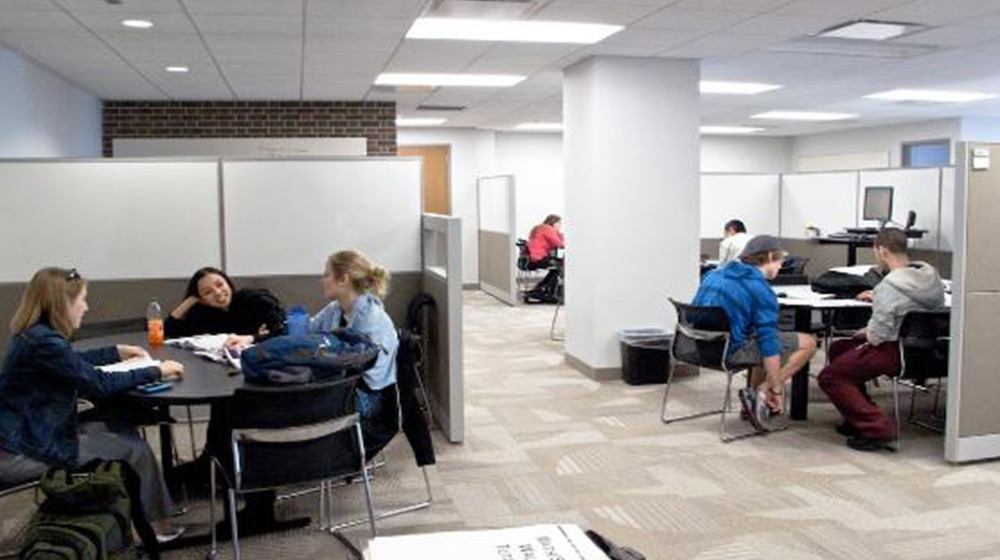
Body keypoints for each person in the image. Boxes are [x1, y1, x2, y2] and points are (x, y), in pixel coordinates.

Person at [0, 268, 185, 541]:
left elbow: (73, 362)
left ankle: (134, 510)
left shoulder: (34, 336)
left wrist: (116, 351)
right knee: (136, 450)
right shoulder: (45, 343)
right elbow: (99, 384)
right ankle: (158, 529)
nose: (86, 307)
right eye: (82, 300)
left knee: (120, 428)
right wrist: (158, 370)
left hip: (27, 438)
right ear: (63, 305)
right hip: (22, 454)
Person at [818, 228, 945, 452]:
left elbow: (879, 336)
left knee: (829, 377)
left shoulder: (888, 285)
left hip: (891, 351)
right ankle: (855, 418)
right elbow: (912, 307)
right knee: (839, 349)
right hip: (928, 351)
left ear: (882, 250)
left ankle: (877, 427)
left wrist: (865, 331)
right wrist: (879, 298)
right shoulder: (932, 280)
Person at [693, 236, 818, 430]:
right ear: (768, 256)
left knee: (758, 336)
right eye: (779, 261)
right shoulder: (760, 290)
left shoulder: (713, 275)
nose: (781, 266)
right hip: (729, 353)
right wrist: (776, 388)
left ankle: (751, 402)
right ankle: (761, 391)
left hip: (699, 349)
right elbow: (769, 347)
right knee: (808, 343)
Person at [310, 250, 400, 452]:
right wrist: (254, 338)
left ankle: (316, 462)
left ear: (343, 279)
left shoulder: (371, 318)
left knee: (300, 404)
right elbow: (308, 330)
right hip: (344, 385)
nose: (322, 280)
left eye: (326, 275)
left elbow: (355, 367)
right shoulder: (336, 309)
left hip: (367, 396)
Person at [165, 266, 286, 347]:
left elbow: (283, 330)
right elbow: (168, 331)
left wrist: (251, 338)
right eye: (208, 292)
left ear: (227, 282)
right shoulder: (209, 317)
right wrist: (190, 300)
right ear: (202, 301)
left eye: (220, 284)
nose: (218, 293)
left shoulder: (254, 299)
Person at [525, 214, 565, 303]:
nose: (560, 225)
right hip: (538, 258)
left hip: (532, 259)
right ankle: (547, 292)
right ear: (553, 223)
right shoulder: (548, 229)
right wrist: (559, 235)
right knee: (559, 267)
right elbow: (559, 244)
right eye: (559, 223)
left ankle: (543, 289)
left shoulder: (539, 228)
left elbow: (551, 244)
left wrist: (558, 234)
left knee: (557, 266)